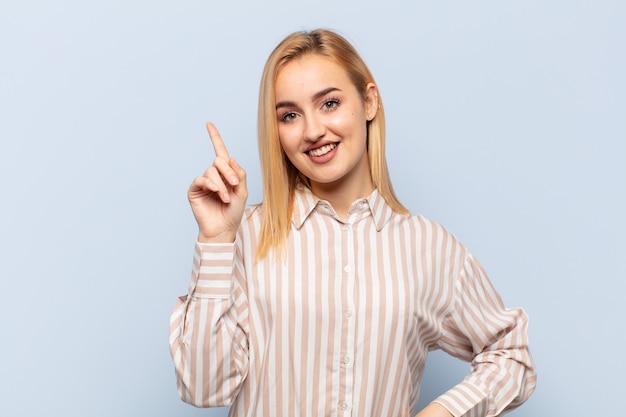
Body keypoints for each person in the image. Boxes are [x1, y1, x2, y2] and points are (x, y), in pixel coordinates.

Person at [169, 29, 536, 417]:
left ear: (369, 101)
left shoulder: (429, 247)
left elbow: (511, 354)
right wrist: (215, 239)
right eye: (290, 115)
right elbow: (203, 387)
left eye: (329, 103)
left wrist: (444, 412)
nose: (312, 131)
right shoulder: (246, 236)